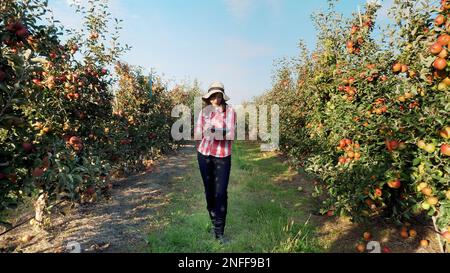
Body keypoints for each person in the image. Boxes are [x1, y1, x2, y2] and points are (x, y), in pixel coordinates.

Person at [194, 81, 236, 244]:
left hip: (222, 156)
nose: (216, 99)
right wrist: (214, 133)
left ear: (222, 97)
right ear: (208, 98)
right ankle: (213, 222)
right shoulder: (204, 112)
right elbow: (199, 133)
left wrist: (213, 132)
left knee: (221, 193)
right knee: (209, 192)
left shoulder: (230, 112)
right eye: (213, 96)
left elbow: (231, 134)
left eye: (218, 96)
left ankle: (219, 233)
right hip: (204, 155)